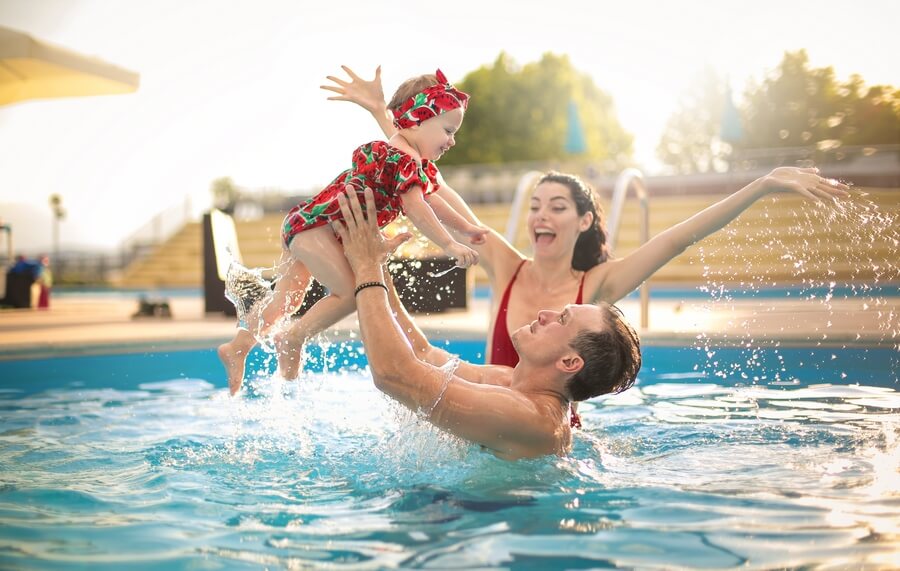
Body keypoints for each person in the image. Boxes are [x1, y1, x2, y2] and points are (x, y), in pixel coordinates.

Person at [321, 65, 852, 424]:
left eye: (555, 206)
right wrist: (384, 118)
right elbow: (430, 181)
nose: (539, 216)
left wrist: (760, 186)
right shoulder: (507, 267)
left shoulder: (594, 290)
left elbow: (678, 237)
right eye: (534, 206)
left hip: (512, 425)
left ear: (583, 222)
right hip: (488, 404)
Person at [218, 69, 487, 394]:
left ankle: (238, 346)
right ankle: (292, 337)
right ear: (417, 120)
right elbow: (418, 209)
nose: (452, 140)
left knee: (287, 299)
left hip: (306, 224)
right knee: (350, 294)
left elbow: (434, 202)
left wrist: (467, 228)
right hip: (318, 228)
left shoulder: (410, 161)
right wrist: (449, 244)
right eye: (447, 130)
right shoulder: (401, 158)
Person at [334, 187, 641, 460]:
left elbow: (395, 375)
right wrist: (377, 263)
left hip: (483, 517)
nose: (545, 314)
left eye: (562, 319)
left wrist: (366, 268)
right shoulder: (509, 382)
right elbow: (423, 355)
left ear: (570, 361)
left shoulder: (529, 418)